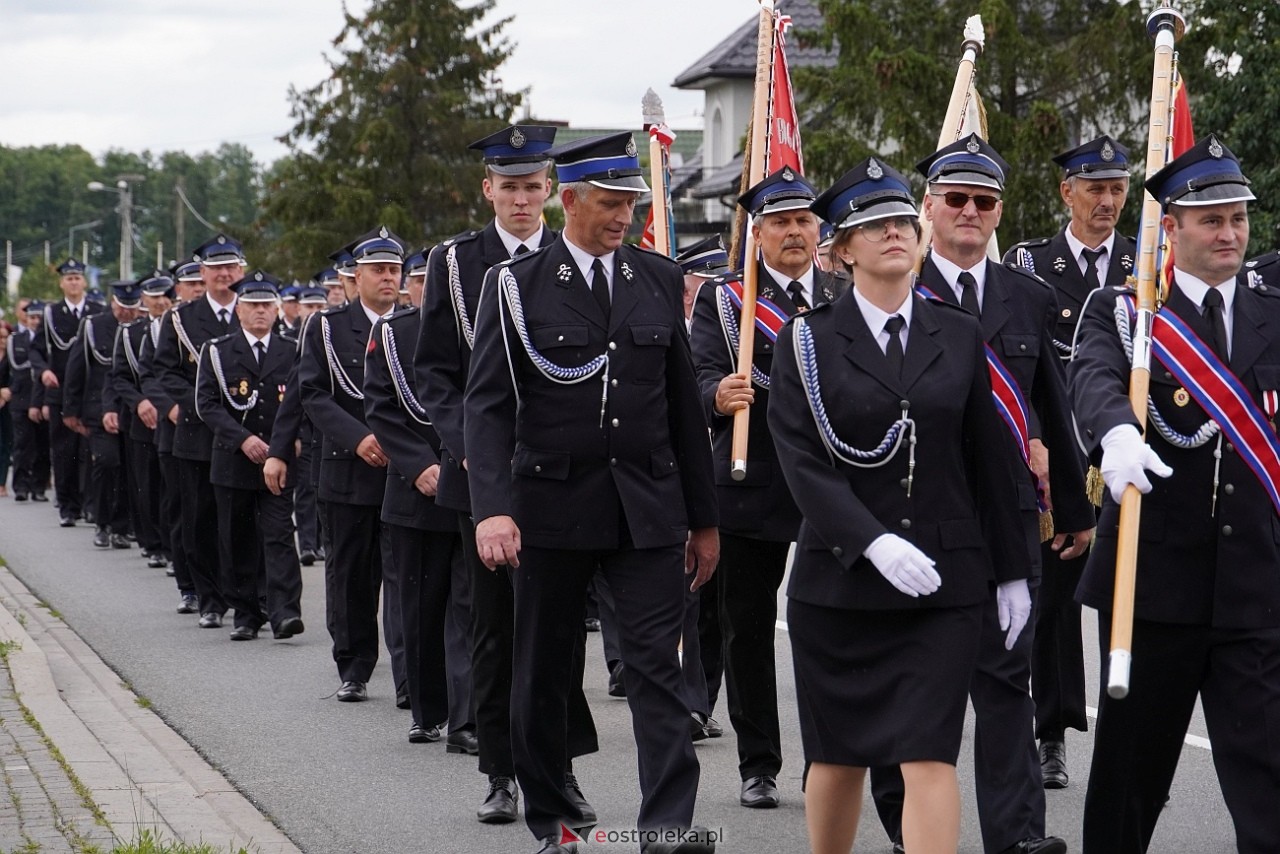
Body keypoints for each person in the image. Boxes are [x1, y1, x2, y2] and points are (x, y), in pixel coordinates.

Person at [464, 131, 720, 854]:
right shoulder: (515, 286)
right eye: (610, 203)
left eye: (631, 204)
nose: (623, 218)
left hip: (647, 508)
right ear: (568, 200)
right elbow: (486, 406)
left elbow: (678, 407)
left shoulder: (659, 278)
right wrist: (493, 508)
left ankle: (666, 828)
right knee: (543, 673)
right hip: (549, 508)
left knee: (655, 674)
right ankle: (557, 821)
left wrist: (704, 521)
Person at [768, 156, 1028, 854]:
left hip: (941, 587)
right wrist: (871, 541)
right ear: (843, 250)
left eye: (902, 222)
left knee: (928, 753)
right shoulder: (807, 340)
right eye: (872, 225)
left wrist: (1011, 570)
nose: (893, 234)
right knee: (840, 755)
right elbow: (801, 462)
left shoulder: (960, 334)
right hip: (842, 587)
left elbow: (992, 463)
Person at [870, 134, 1090, 854]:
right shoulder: (896, 288)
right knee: (912, 688)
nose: (969, 211)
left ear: (999, 214)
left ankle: (1019, 839)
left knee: (1005, 688)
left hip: (1007, 526)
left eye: (984, 202)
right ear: (928, 207)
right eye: (956, 199)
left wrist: (1076, 512)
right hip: (918, 517)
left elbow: (1051, 410)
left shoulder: (1029, 296)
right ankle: (908, 829)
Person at [1072, 134, 1280, 854]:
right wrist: (1115, 434)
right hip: (1154, 588)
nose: (1229, 233)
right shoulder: (1127, 315)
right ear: (1173, 228)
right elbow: (1092, 376)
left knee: (1269, 782)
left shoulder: (1272, 312)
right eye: (1211, 219)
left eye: (1238, 219)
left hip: (1257, 590)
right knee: (1130, 785)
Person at [416, 124, 599, 826]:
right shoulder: (458, 264)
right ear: (487, 189)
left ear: (551, 191)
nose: (522, 199)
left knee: (557, 632)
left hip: (562, 477)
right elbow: (435, 368)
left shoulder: (572, 254)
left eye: (533, 186)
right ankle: (500, 771)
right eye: (510, 187)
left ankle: (560, 769)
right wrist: (466, 443)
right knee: (494, 631)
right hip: (483, 476)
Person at [690, 167, 844, 808]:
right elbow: (696, 379)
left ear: (819, 230)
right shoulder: (726, 300)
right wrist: (718, 396)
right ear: (757, 232)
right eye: (779, 221)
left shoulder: (845, 292)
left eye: (804, 220)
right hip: (750, 482)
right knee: (746, 628)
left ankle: (830, 760)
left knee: (827, 630)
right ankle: (759, 764)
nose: (793, 232)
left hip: (832, 489)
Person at [1003, 134, 1136, 789]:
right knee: (1052, 601)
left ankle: (1130, 727)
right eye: (1095, 189)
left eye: (1117, 189)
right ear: (1067, 193)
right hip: (1059, 452)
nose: (1107, 201)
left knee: (1127, 594)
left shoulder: (1146, 265)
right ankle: (1050, 733)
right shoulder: (1030, 264)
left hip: (1126, 451)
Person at [299, 227, 405, 702]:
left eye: (394, 270)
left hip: (405, 470)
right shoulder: (328, 327)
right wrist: (359, 437)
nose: (388, 279)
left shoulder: (415, 324)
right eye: (378, 270)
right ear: (355, 276)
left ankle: (411, 678)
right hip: (348, 467)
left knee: (406, 580)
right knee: (352, 577)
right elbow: (314, 395)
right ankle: (355, 667)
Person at [363, 287, 467, 744]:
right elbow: (381, 408)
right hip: (415, 492)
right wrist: (418, 465)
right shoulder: (393, 332)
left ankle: (469, 717)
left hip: (470, 488)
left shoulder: (481, 326)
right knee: (422, 609)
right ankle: (427, 709)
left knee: (471, 610)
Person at [195, 271, 304, 642]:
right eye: (252, 305)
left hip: (279, 457)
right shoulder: (218, 351)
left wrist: (290, 442)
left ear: (276, 310)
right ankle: (246, 612)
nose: (260, 312)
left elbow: (306, 400)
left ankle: (285, 611)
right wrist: (242, 439)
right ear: (238, 310)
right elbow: (207, 404)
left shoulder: (292, 350)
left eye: (266, 305)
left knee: (278, 534)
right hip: (233, 459)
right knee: (237, 536)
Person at [153, 235, 245, 627]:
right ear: (202, 273)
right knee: (200, 518)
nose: (224, 274)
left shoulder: (255, 308)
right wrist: (200, 406)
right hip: (197, 434)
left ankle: (244, 596)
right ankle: (209, 598)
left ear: (242, 270)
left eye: (231, 267)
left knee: (239, 520)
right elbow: (165, 371)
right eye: (216, 268)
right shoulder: (181, 318)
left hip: (244, 433)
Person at [140, 262, 203, 613]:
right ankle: (188, 586)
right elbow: (152, 374)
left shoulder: (221, 320)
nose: (196, 289)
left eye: (199, 282)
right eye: (189, 283)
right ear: (177, 289)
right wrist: (171, 407)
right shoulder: (172, 323)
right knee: (182, 510)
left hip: (217, 432)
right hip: (176, 429)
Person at [65, 281, 140, 549]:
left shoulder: (142, 327)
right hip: (98, 409)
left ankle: (121, 526)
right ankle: (102, 522)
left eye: (132, 307)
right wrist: (70, 410)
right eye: (123, 307)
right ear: (113, 303)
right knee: (107, 463)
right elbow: (77, 367)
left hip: (132, 410)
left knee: (128, 469)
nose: (127, 313)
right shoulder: (94, 325)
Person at [29, 258, 104, 526]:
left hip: (90, 392)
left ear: (84, 281)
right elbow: (36, 349)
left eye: (77, 278)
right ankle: (68, 507)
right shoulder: (51, 313)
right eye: (68, 278)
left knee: (93, 451)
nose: (73, 282)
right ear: (61, 283)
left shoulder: (97, 310)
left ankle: (92, 505)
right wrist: (43, 371)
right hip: (59, 390)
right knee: (64, 452)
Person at [110, 272, 175, 571]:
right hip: (144, 420)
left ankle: (175, 545)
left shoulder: (178, 328)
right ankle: (153, 543)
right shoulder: (130, 333)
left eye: (164, 295)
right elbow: (120, 378)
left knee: (171, 487)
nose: (160, 301)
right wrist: (139, 402)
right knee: (147, 485)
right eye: (154, 297)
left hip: (174, 418)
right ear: (143, 300)